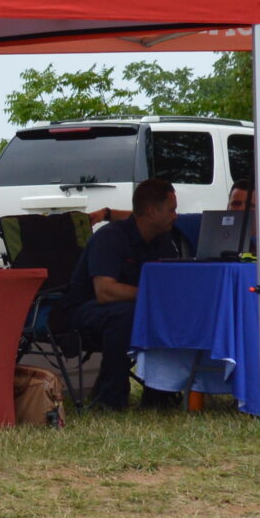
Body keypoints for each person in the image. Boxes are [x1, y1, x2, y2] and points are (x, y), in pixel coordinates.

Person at [65, 176, 187, 411]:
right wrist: (153, 297)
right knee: (128, 314)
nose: (176, 216)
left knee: (166, 312)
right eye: (171, 210)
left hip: (129, 308)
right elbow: (105, 291)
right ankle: (111, 399)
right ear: (152, 212)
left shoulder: (163, 241)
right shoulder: (110, 237)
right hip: (83, 311)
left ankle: (160, 392)